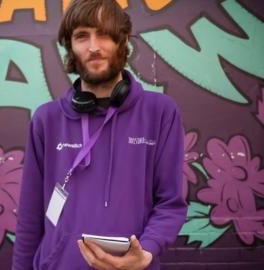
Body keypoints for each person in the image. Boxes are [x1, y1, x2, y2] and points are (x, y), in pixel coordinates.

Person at [12, 0, 187, 269]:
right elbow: (29, 217)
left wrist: (147, 252)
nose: (94, 47)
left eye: (104, 33)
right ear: (70, 46)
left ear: (123, 40)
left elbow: (170, 203)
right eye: (82, 36)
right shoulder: (46, 119)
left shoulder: (160, 112)